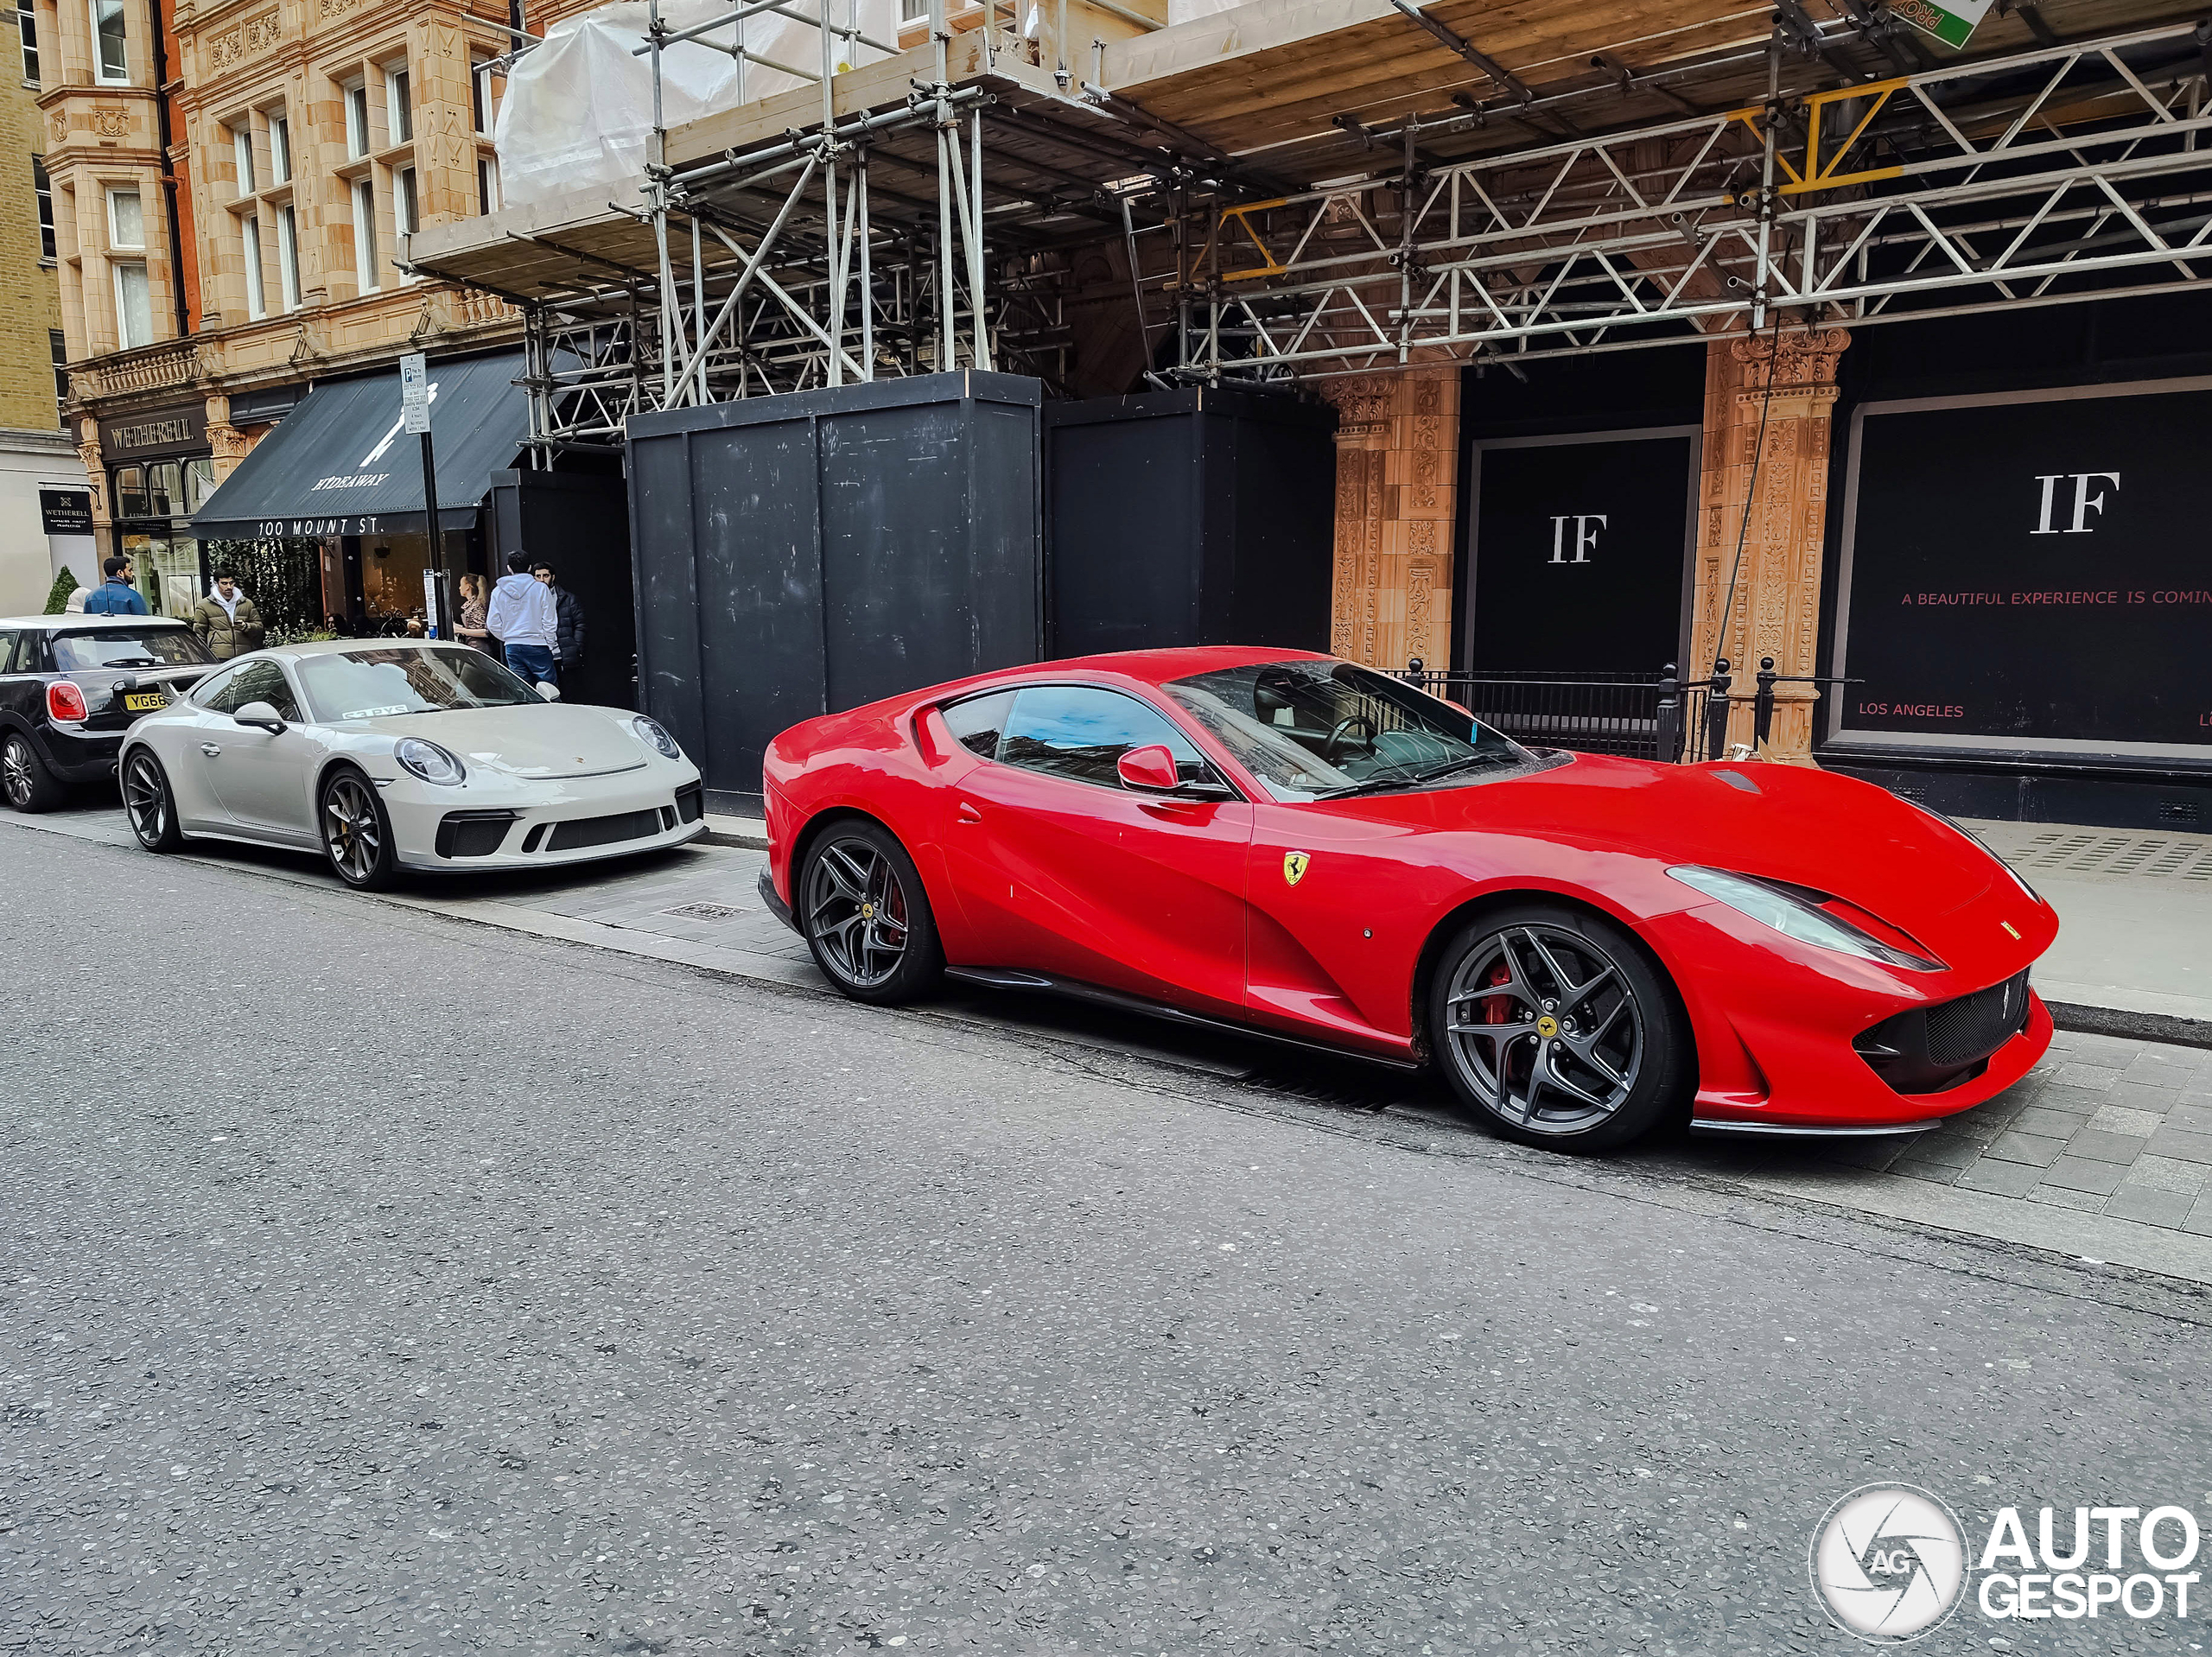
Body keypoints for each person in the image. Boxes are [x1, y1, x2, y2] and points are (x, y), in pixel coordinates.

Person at [483, 549, 560, 687]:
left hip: (512, 645)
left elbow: (492, 623)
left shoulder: (498, 591)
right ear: (529, 568)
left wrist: (508, 637)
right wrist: (549, 642)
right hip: (538, 643)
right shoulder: (541, 589)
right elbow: (550, 620)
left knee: (522, 688)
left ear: (509, 568)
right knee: (549, 688)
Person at [190, 569, 266, 660]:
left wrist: (246, 626)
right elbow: (199, 633)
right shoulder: (204, 605)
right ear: (216, 583)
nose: (229, 587)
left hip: (244, 655)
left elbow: (259, 628)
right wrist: (204, 657)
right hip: (219, 655)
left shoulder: (247, 603)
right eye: (224, 583)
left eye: (231, 583)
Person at [534, 562, 586, 679]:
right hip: (540, 655)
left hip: (563, 656)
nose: (542, 580)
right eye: (538, 576)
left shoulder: (568, 599)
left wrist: (576, 648)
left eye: (545, 576)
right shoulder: (530, 600)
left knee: (568, 688)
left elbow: (580, 624)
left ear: (553, 577)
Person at [81, 556, 148, 616]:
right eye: (130, 570)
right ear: (120, 573)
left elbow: (87, 622)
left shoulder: (90, 597)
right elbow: (144, 622)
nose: (132, 574)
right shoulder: (133, 596)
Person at [454, 573, 495, 653]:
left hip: (479, 649)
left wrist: (460, 630)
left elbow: (486, 632)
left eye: (461, 585)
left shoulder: (476, 606)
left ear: (468, 587)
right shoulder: (474, 604)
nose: (459, 588)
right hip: (475, 647)